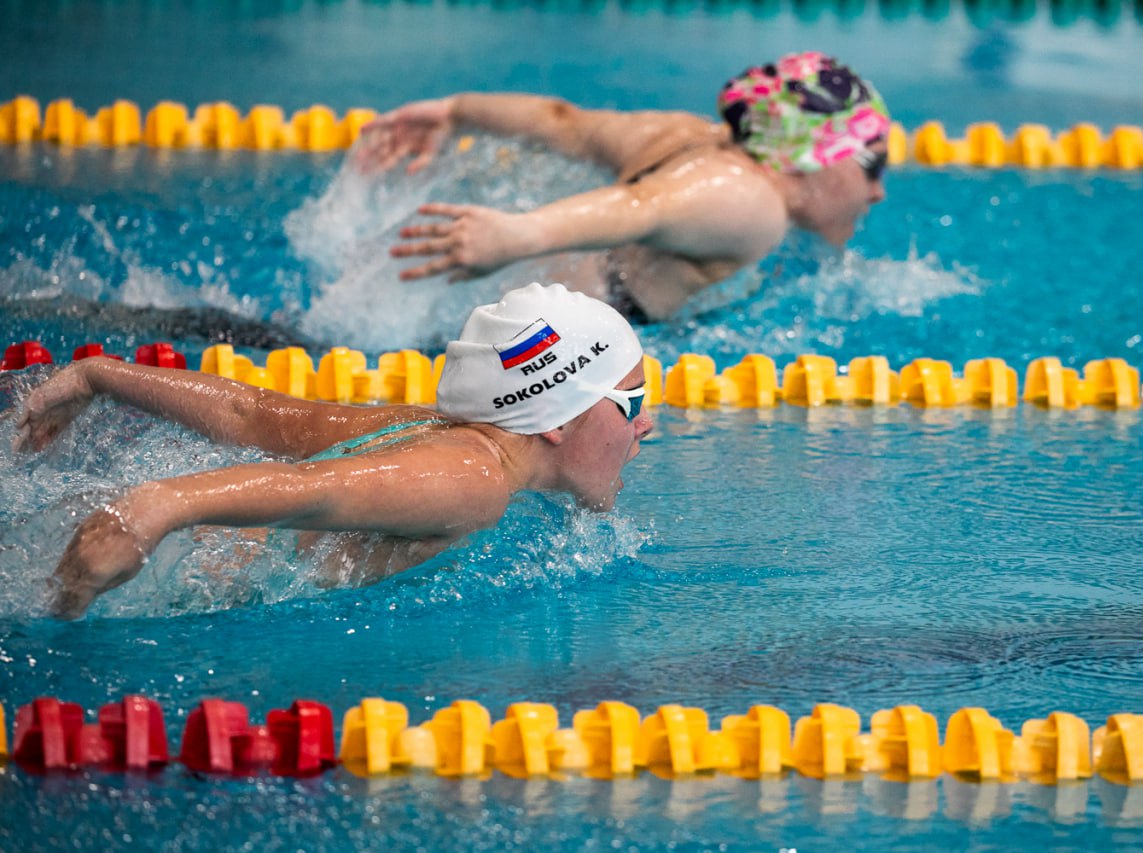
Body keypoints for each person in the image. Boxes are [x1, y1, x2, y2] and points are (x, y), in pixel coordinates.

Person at [13, 283, 653, 619]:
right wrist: (156, 505)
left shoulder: (437, 429)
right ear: (555, 422)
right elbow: (307, 490)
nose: (647, 423)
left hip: (81, 529)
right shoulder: (472, 481)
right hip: (131, 564)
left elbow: (258, 416)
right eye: (631, 401)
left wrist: (97, 374)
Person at [357, 51, 891, 322]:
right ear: (817, 159)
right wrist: (520, 235)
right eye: (874, 166)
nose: (877, 192)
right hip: (550, 334)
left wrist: (457, 110)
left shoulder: (685, 137)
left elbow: (563, 122)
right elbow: (644, 206)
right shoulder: (749, 201)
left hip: (519, 306)